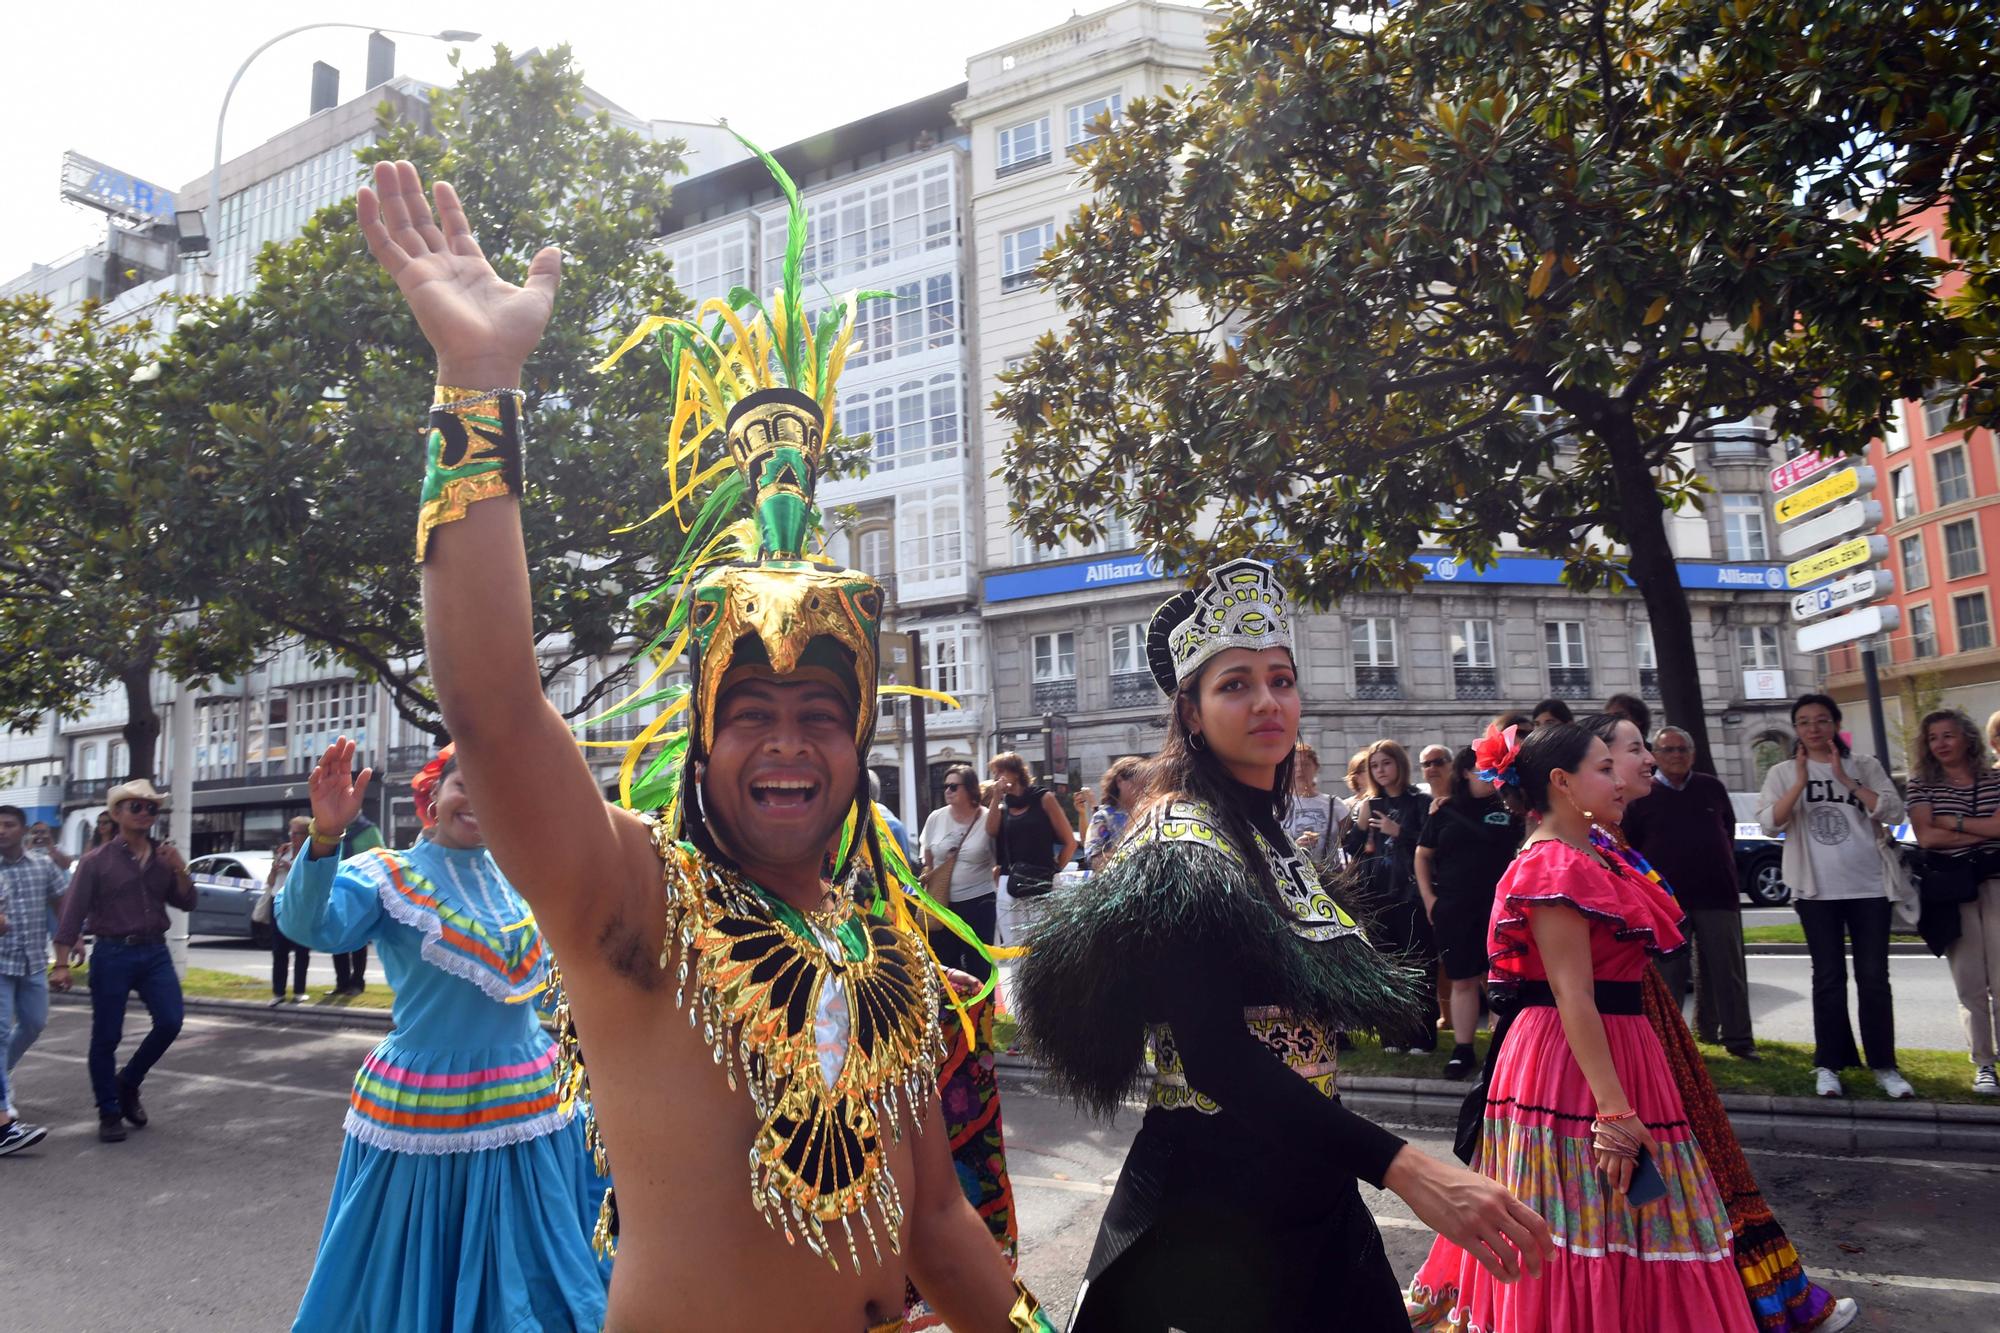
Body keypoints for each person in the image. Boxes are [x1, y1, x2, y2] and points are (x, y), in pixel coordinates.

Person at [358, 150, 1052, 1331]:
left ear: (858, 748)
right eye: (753, 717)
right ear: (700, 743)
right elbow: (492, 704)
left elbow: (936, 1223)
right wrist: (476, 379)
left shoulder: (884, 948)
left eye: (820, 719)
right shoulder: (633, 902)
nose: (789, 746)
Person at [1017, 558, 1552, 1332]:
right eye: (1235, 683)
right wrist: (1407, 1166)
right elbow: (1217, 1057)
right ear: (1193, 714)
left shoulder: (1272, 836)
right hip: (1207, 1213)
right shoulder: (1182, 842)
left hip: (1310, 1182)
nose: (1268, 700)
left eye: (1281, 678)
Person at [1409, 722, 1756, 1333]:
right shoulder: (1552, 863)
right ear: (1562, 783)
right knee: (1584, 1210)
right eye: (1604, 767)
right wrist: (1615, 1109)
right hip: (1574, 1059)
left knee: (1632, 1208)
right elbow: (1574, 995)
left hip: (1614, 1046)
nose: (1619, 777)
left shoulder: (1592, 851)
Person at [275, 740, 607, 1331]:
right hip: (430, 1105)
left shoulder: (526, 877)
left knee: (544, 1260)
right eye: (464, 786)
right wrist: (325, 837)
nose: (479, 801)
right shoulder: (388, 874)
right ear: (433, 796)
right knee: (419, 1268)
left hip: (530, 1096)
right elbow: (309, 924)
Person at [1581, 714, 1857, 1332]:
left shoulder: (1607, 839)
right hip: (1619, 1026)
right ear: (1583, 770)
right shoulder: (1579, 847)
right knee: (1661, 1172)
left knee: (1672, 1171)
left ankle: (1704, 1302)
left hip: (1641, 1017)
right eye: (1630, 753)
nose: (1649, 761)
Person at [1758, 693, 1916, 1099]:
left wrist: (1847, 783)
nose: (1814, 728)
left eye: (1822, 720)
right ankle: (1828, 1064)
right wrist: (1798, 783)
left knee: (1874, 979)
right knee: (1828, 979)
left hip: (1869, 887)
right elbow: (1770, 825)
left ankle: (1884, 1065)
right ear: (1797, 729)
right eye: (1805, 721)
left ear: (1835, 724)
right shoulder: (1780, 772)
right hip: (1816, 891)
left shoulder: (1864, 766)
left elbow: (1894, 812)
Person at [50, 780, 193, 1143]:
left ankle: (128, 1081)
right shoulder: (96, 861)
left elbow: (188, 902)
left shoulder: (164, 856)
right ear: (116, 814)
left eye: (151, 808)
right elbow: (72, 913)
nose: (145, 813)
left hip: (154, 952)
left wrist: (180, 869)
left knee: (171, 1021)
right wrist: (62, 963)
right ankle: (109, 1110)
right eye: (136, 807)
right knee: (106, 1037)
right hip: (113, 953)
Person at [1625, 725, 1756, 1057]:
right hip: (1667, 903)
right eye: (1668, 750)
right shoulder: (1643, 795)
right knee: (1668, 976)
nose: (1676, 756)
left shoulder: (1711, 788)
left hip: (1717, 892)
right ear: (1655, 755)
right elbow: (1632, 849)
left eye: (1683, 749)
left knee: (1727, 972)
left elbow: (1728, 831)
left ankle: (1737, 1040)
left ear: (1693, 754)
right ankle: (1666, 1046)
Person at [1906, 709, 2000, 1096]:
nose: (1941, 744)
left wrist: (1953, 823)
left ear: (1967, 739)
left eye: (1948, 735)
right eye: (1933, 738)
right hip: (1951, 891)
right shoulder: (1920, 785)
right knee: (1970, 982)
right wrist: (1981, 832)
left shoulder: (1995, 779)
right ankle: (1983, 1064)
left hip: (1996, 883)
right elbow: (1926, 838)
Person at [1416, 748, 1519, 1079]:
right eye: (1482, 770)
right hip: (1454, 908)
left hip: (1500, 908)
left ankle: (1503, 1050)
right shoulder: (1444, 810)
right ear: (1464, 772)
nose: (1489, 777)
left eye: (1494, 770)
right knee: (1461, 979)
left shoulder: (1510, 809)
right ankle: (1463, 1050)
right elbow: (1422, 855)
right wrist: (1429, 898)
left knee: (1498, 980)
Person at [1343, 738, 1438, 1051]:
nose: (1380, 770)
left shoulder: (1419, 802)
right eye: (1374, 765)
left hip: (1411, 891)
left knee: (1419, 963)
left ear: (1399, 764)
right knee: (1388, 965)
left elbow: (1432, 846)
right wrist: (1360, 825)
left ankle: (1423, 1036)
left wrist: (1399, 832)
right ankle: (1393, 1036)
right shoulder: (1370, 804)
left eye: (1386, 763)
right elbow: (1352, 850)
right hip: (1377, 892)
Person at [1, 804, 69, 1155]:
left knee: (33, 1023)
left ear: (23, 831)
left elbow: (61, 907)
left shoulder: (42, 866)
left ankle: (2, 1075)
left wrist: (64, 956)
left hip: (31, 963)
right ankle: (2, 1110)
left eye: (9, 825)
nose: (2, 830)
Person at [986, 752, 1078, 949]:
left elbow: (1070, 842)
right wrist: (995, 797)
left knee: (1042, 947)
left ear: (1016, 773)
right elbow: (991, 830)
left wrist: (1054, 870)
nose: (996, 778)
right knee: (1014, 949)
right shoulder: (1004, 806)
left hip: (1040, 883)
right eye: (994, 773)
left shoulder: (1043, 798)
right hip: (1009, 883)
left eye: (1000, 771)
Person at [921, 764, 999, 977]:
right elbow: (928, 859)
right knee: (945, 967)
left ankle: (984, 1010)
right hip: (942, 904)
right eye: (945, 786)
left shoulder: (987, 818)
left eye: (954, 787)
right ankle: (950, 1012)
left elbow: (998, 860)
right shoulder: (936, 818)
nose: (947, 791)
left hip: (978, 903)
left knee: (979, 966)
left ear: (970, 789)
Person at [327, 810, 384, 997]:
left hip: (361, 892)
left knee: (358, 939)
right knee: (338, 937)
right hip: (338, 891)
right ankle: (341, 983)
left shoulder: (369, 831)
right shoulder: (337, 831)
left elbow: (382, 859)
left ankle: (357, 983)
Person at [265, 816, 313, 1005]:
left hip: (299, 904)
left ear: (307, 834)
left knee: (301, 949)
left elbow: (310, 878)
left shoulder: (311, 853)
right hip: (278, 902)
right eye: (290, 832)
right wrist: (275, 869)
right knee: (279, 950)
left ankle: (299, 991)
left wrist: (289, 866)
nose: (292, 837)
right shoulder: (284, 851)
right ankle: (278, 992)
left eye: (297, 833)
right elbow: (270, 882)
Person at [1280, 742, 1345, 870]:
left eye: (1306, 764)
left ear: (1316, 767)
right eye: (1294, 765)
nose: (1299, 769)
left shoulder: (1334, 804)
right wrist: (1295, 846)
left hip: (1330, 879)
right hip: (1294, 876)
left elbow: (1351, 844)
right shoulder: (1278, 805)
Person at [1084, 757, 1146, 871]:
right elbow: (1094, 859)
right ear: (1120, 781)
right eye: (1139, 782)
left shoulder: (1149, 814)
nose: (1143, 788)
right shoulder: (1103, 817)